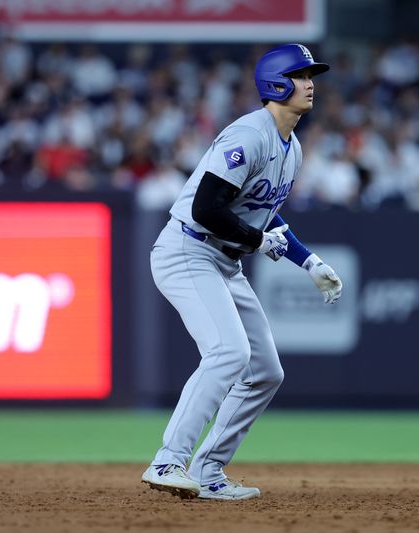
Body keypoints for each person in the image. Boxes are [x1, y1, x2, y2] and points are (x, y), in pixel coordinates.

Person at [141, 44, 342, 501]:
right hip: (187, 249)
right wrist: (254, 241)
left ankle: (209, 470)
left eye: (312, 75)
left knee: (266, 371)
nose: (310, 84)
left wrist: (308, 261)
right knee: (227, 353)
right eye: (300, 75)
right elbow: (205, 207)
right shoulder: (249, 134)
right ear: (276, 83)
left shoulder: (291, 149)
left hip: (224, 261)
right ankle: (169, 460)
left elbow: (261, 214)